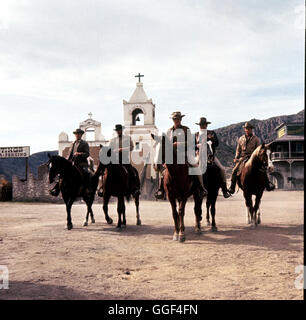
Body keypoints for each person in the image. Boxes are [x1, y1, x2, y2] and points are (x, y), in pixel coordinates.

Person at [154, 111, 207, 200]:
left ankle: (201, 188)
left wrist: (179, 144)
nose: (176, 120)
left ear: (181, 119)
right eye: (174, 119)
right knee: (163, 169)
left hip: (184, 153)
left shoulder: (186, 129)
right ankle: (161, 189)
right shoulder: (169, 131)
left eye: (178, 119)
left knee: (195, 166)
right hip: (172, 155)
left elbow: (191, 143)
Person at [228, 122, 275, 194]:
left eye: (249, 129)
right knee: (234, 170)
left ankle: (268, 184)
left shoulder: (256, 139)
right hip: (243, 157)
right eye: (246, 129)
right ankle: (232, 187)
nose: (247, 130)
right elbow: (238, 149)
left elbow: (258, 150)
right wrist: (236, 157)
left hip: (253, 157)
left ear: (251, 130)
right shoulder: (241, 139)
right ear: (244, 129)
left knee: (263, 170)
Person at [195, 117, 231, 198]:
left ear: (206, 125)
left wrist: (210, 141)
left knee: (222, 169)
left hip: (211, 156)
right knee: (194, 168)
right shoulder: (196, 135)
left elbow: (217, 143)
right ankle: (199, 188)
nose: (202, 126)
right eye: (201, 125)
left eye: (204, 124)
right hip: (199, 155)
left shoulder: (212, 133)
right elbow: (192, 146)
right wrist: (197, 145)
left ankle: (224, 189)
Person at [49, 128, 91, 196]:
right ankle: (56, 189)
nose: (77, 135)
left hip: (81, 163)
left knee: (86, 173)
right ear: (75, 135)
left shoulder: (85, 143)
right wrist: (66, 161)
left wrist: (79, 154)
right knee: (62, 173)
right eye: (76, 134)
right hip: (71, 163)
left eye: (79, 134)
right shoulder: (72, 144)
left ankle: (87, 189)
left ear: (81, 135)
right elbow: (70, 154)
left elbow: (87, 154)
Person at [108, 124, 140, 197]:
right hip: (115, 160)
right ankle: (104, 188)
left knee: (132, 172)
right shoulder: (112, 140)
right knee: (106, 171)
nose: (118, 131)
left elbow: (132, 147)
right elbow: (109, 150)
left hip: (124, 159)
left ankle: (134, 188)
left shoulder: (128, 138)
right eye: (117, 130)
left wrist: (122, 149)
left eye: (119, 130)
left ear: (122, 130)